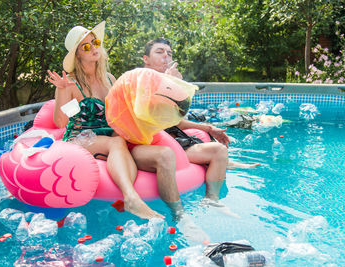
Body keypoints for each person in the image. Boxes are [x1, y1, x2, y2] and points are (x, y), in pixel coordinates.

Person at [47, 21, 163, 220]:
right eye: (86, 46)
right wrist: (62, 90)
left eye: (95, 42)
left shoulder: (109, 78)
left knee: (120, 141)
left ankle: (127, 200)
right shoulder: (71, 83)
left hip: (108, 136)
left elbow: (123, 110)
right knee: (117, 142)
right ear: (77, 55)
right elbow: (60, 122)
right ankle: (131, 198)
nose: (93, 48)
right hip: (80, 137)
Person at [143, 38, 260, 201]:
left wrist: (208, 128)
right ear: (146, 59)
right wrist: (170, 81)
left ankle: (225, 166)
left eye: (169, 53)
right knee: (218, 151)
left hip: (170, 135)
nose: (166, 56)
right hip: (155, 142)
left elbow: (176, 119)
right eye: (159, 52)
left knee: (209, 136)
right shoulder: (140, 81)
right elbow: (152, 117)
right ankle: (212, 200)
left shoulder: (164, 82)